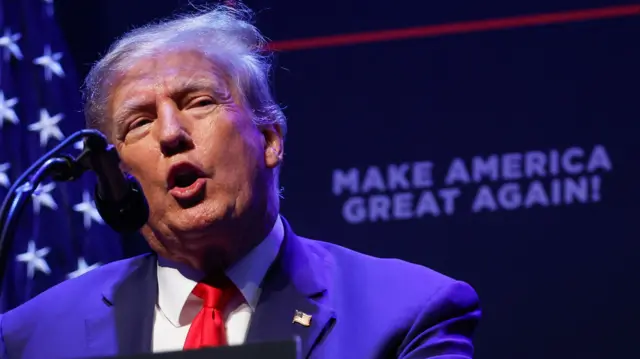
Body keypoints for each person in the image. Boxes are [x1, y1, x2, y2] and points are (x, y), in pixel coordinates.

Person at [0, 3, 481, 358]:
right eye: (139, 123)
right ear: (117, 175)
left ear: (270, 140)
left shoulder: (407, 311)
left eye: (199, 102)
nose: (170, 134)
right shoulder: (29, 339)